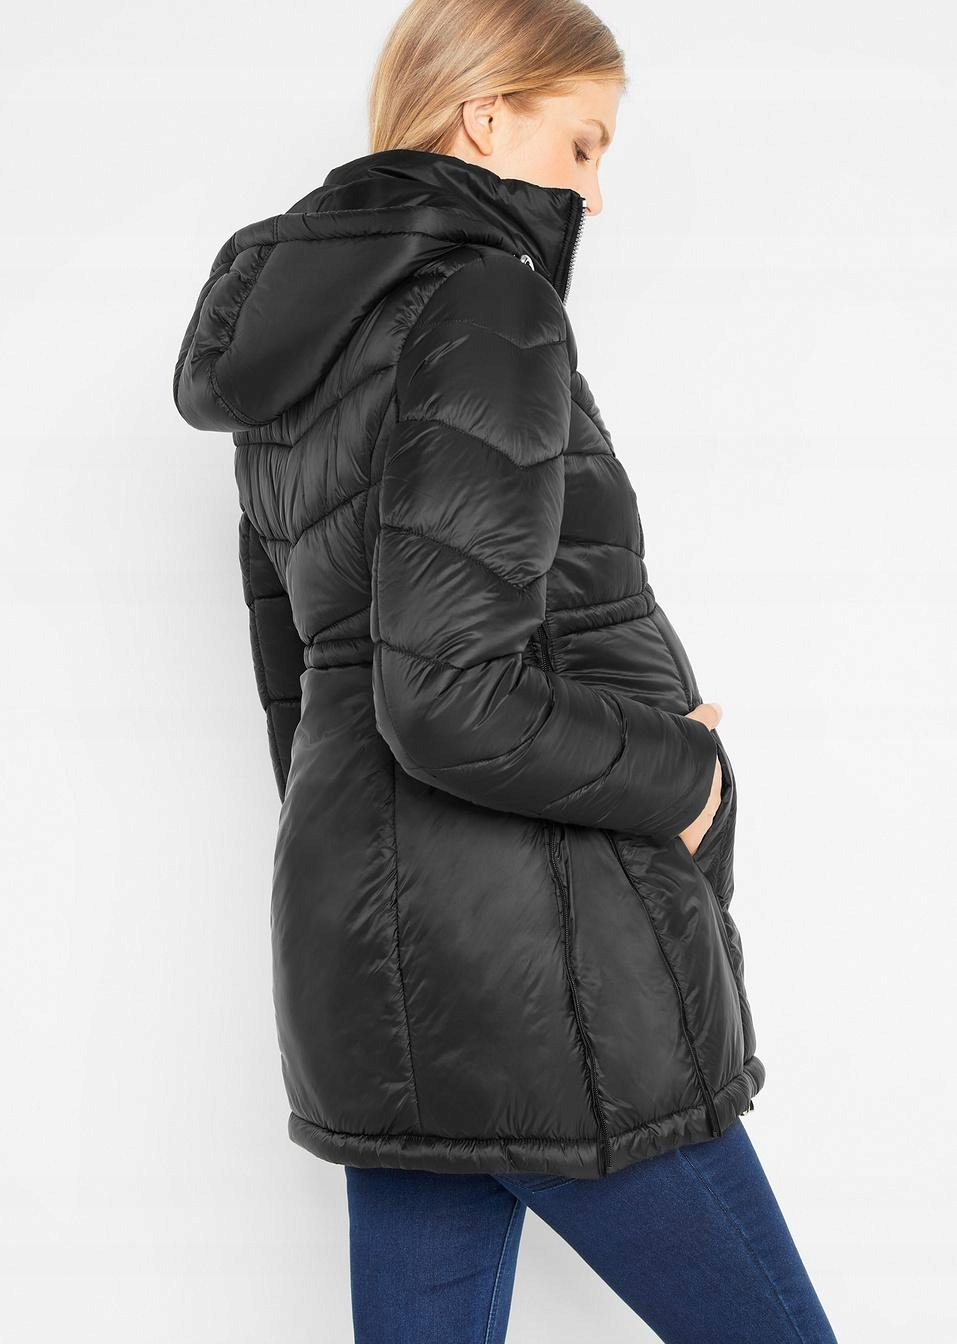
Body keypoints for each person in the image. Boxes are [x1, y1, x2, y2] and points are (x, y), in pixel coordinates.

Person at [173, 1, 838, 1339]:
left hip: (367, 963)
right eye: (583, 143)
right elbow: (447, 698)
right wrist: (684, 773)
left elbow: (301, 700)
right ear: (485, 115)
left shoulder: (292, 363)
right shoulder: (484, 299)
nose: (594, 191)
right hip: (546, 958)